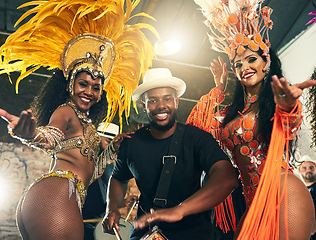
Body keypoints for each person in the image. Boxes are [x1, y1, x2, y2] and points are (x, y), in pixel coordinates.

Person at [0, 0, 156, 239]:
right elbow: (50, 136)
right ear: (70, 84)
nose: (89, 91)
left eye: (96, 87)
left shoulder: (88, 126)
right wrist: (30, 134)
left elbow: (90, 170)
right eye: (83, 84)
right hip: (56, 194)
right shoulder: (65, 111)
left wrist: (110, 152)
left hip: (62, 196)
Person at [188, 0, 316, 239]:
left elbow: (288, 122)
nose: (244, 67)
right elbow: (196, 131)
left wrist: (288, 107)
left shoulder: (275, 103)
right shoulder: (230, 113)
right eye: (238, 63)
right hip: (252, 201)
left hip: (282, 193)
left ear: (266, 62)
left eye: (251, 60)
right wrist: (217, 89)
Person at [102, 68, 238, 240]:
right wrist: (111, 208)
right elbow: (118, 178)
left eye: (167, 99)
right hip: (146, 232)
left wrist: (180, 210)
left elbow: (227, 178)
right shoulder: (131, 143)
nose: (161, 106)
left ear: (176, 101)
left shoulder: (197, 138)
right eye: (153, 100)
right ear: (144, 105)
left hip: (193, 233)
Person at [83, 122, 137, 240]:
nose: (112, 147)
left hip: (100, 225)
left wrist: (123, 203)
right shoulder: (86, 161)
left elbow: (103, 201)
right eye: (108, 141)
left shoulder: (111, 168)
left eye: (115, 144)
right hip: (82, 223)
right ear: (97, 139)